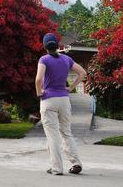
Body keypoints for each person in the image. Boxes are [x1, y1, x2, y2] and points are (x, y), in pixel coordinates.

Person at [35, 33, 86, 176]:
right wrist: (70, 87)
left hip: (49, 100)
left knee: (52, 136)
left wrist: (39, 92)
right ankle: (76, 163)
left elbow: (38, 79)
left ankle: (57, 168)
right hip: (64, 100)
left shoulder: (44, 59)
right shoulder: (67, 59)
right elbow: (82, 73)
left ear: (45, 47)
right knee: (66, 132)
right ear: (57, 46)